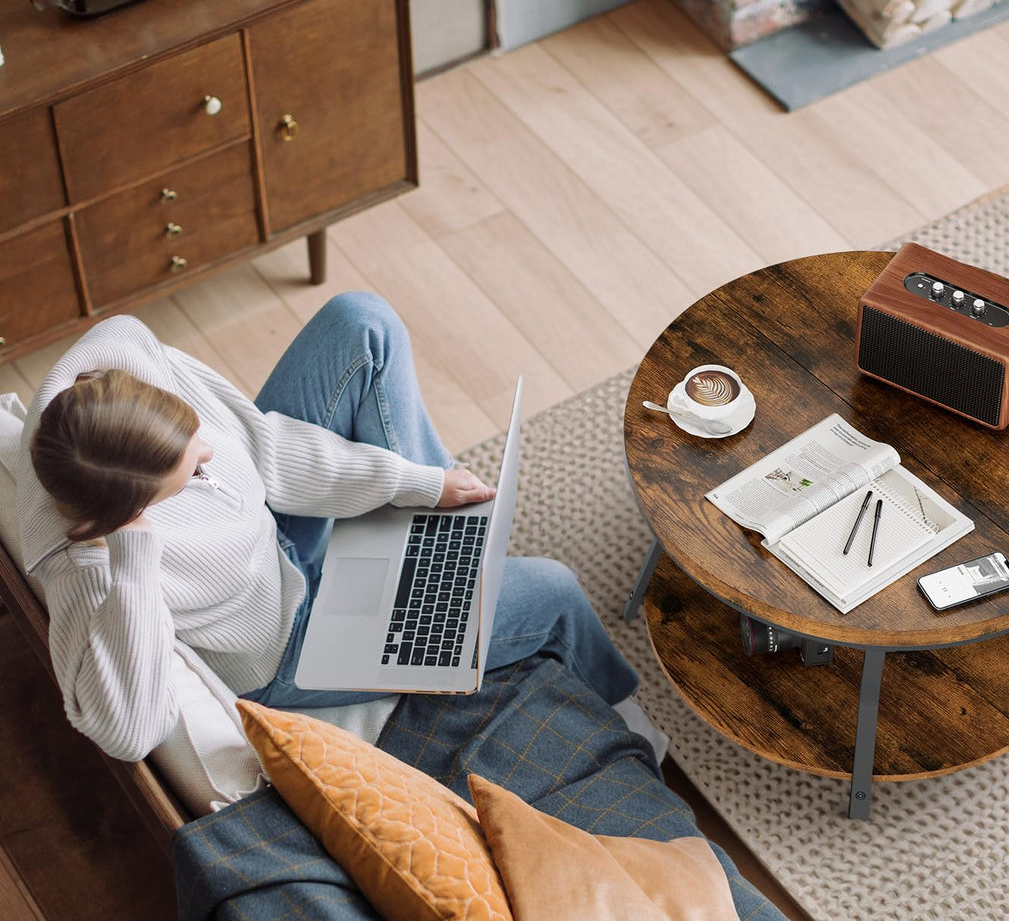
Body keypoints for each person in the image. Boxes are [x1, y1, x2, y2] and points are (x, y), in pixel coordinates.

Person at [16, 292, 662, 766]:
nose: (208, 454)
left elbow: (264, 449)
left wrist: (419, 483)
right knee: (552, 590)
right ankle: (625, 721)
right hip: (290, 648)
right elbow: (126, 731)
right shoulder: (89, 562)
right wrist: (131, 552)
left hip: (274, 539)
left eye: (193, 437)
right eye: (190, 474)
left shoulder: (124, 357)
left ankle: (449, 555)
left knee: (361, 324)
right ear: (131, 511)